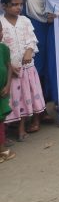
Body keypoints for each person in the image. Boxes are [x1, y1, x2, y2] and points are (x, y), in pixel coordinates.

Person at [2, 0, 46, 141]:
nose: (18, 7)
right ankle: (5, 133)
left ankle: (21, 128)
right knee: (10, 100)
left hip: (26, 69)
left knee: (25, 98)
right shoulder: (1, 23)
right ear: (4, 6)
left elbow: (32, 39)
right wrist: (9, 66)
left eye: (21, 4)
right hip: (9, 71)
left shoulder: (25, 21)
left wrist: (29, 51)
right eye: (14, 4)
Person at [17, 0, 52, 103]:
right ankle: (34, 99)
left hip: (49, 30)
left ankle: (47, 96)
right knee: (35, 64)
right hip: (32, 32)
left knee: (49, 62)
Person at [0, 18, 13, 162]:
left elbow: (9, 66)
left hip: (3, 91)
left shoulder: (4, 48)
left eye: (0, 31)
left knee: (1, 119)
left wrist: (8, 85)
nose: (1, 34)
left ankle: (2, 148)